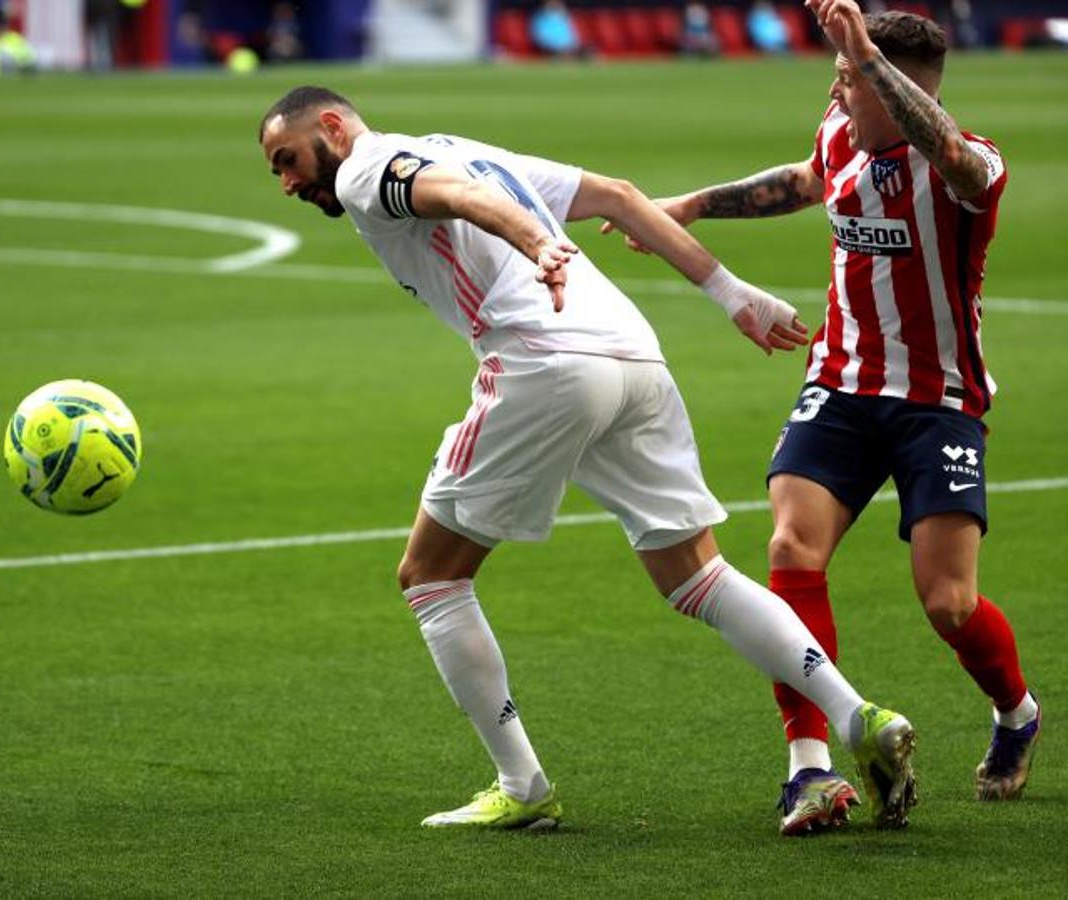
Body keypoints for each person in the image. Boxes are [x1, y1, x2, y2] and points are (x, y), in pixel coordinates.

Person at [259, 84, 919, 830]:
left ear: (334, 126)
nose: (287, 182)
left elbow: (453, 197)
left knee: (431, 575)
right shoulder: (460, 145)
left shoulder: (365, 169)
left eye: (287, 158)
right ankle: (855, 714)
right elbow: (617, 195)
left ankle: (523, 787)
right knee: (696, 574)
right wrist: (730, 293)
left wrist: (538, 244)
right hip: (635, 359)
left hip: (544, 363)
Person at [616, 0, 1039, 836]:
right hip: (842, 384)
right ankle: (810, 767)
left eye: (850, 75)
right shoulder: (843, 128)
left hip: (937, 400)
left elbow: (946, 151)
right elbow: (808, 180)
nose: (837, 87)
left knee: (949, 602)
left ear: (900, 85)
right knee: (788, 548)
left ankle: (1017, 712)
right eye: (841, 72)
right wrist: (693, 206)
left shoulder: (973, 167)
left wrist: (867, 59)